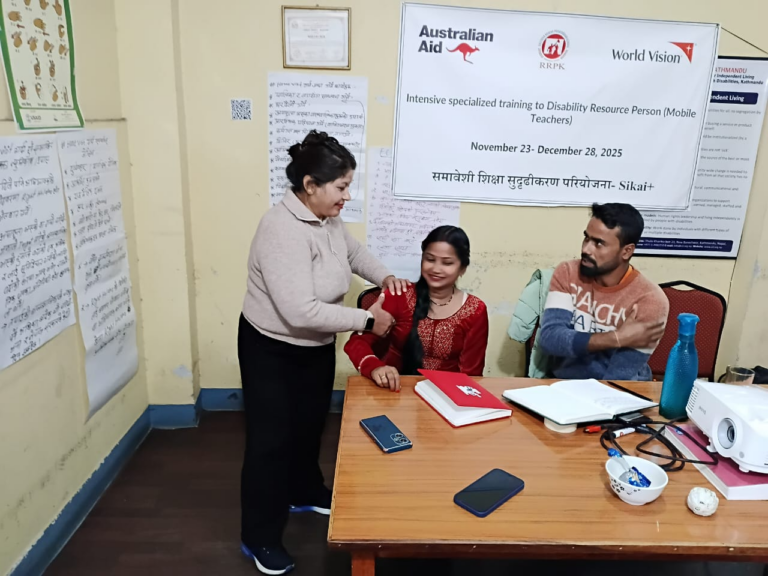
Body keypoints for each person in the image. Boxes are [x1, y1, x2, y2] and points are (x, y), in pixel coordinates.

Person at [238, 130, 409, 575]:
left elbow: (353, 253)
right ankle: (259, 537)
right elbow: (299, 311)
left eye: (349, 186)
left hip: (314, 344)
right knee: (269, 442)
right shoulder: (280, 229)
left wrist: (386, 276)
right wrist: (368, 320)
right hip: (271, 347)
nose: (347, 197)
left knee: (310, 426)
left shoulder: (326, 219)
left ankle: (304, 491)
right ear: (310, 185)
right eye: (341, 187)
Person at [345, 226, 489, 391]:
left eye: (447, 263)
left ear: (462, 268)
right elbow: (357, 343)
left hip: (447, 396)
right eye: (430, 259)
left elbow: (472, 374)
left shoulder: (475, 310)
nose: (436, 269)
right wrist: (375, 367)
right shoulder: (398, 295)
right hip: (394, 390)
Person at [538, 203, 669, 381]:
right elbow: (550, 339)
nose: (586, 249)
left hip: (621, 389)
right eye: (586, 238)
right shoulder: (568, 273)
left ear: (626, 251)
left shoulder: (650, 299)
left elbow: (620, 375)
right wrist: (616, 338)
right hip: (563, 383)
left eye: (599, 243)